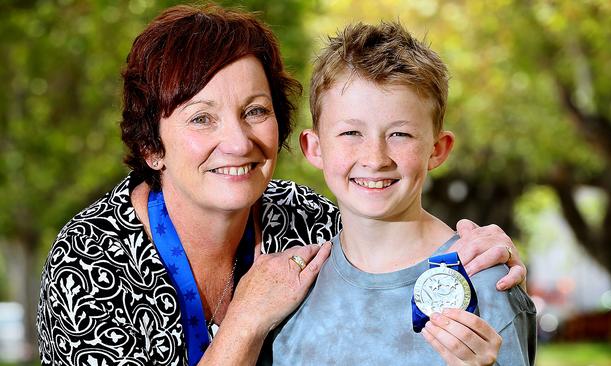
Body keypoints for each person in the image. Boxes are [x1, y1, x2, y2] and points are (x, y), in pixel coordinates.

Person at [37, 4, 528, 366]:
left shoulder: (306, 220)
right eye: (201, 118)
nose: (237, 142)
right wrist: (245, 321)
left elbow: (388, 233)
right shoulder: (88, 266)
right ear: (152, 147)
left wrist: (485, 257)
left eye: (255, 111)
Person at [262, 22, 536, 365]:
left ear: (437, 149)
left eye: (400, 135)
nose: (375, 159)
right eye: (350, 132)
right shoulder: (290, 289)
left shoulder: (486, 281)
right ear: (314, 148)